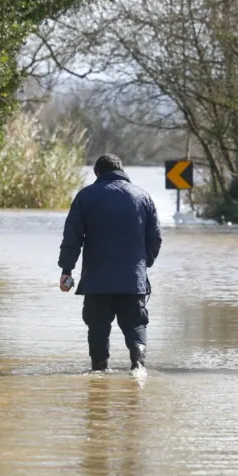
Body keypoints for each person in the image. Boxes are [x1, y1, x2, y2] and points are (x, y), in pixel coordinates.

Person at [59, 153, 162, 371]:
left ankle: (99, 369)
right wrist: (143, 265)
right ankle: (138, 362)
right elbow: (155, 238)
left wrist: (66, 270)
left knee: (97, 327)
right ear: (122, 170)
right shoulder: (143, 197)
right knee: (135, 324)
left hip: (97, 280)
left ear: (97, 173)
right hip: (132, 280)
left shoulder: (85, 197)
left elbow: (72, 238)